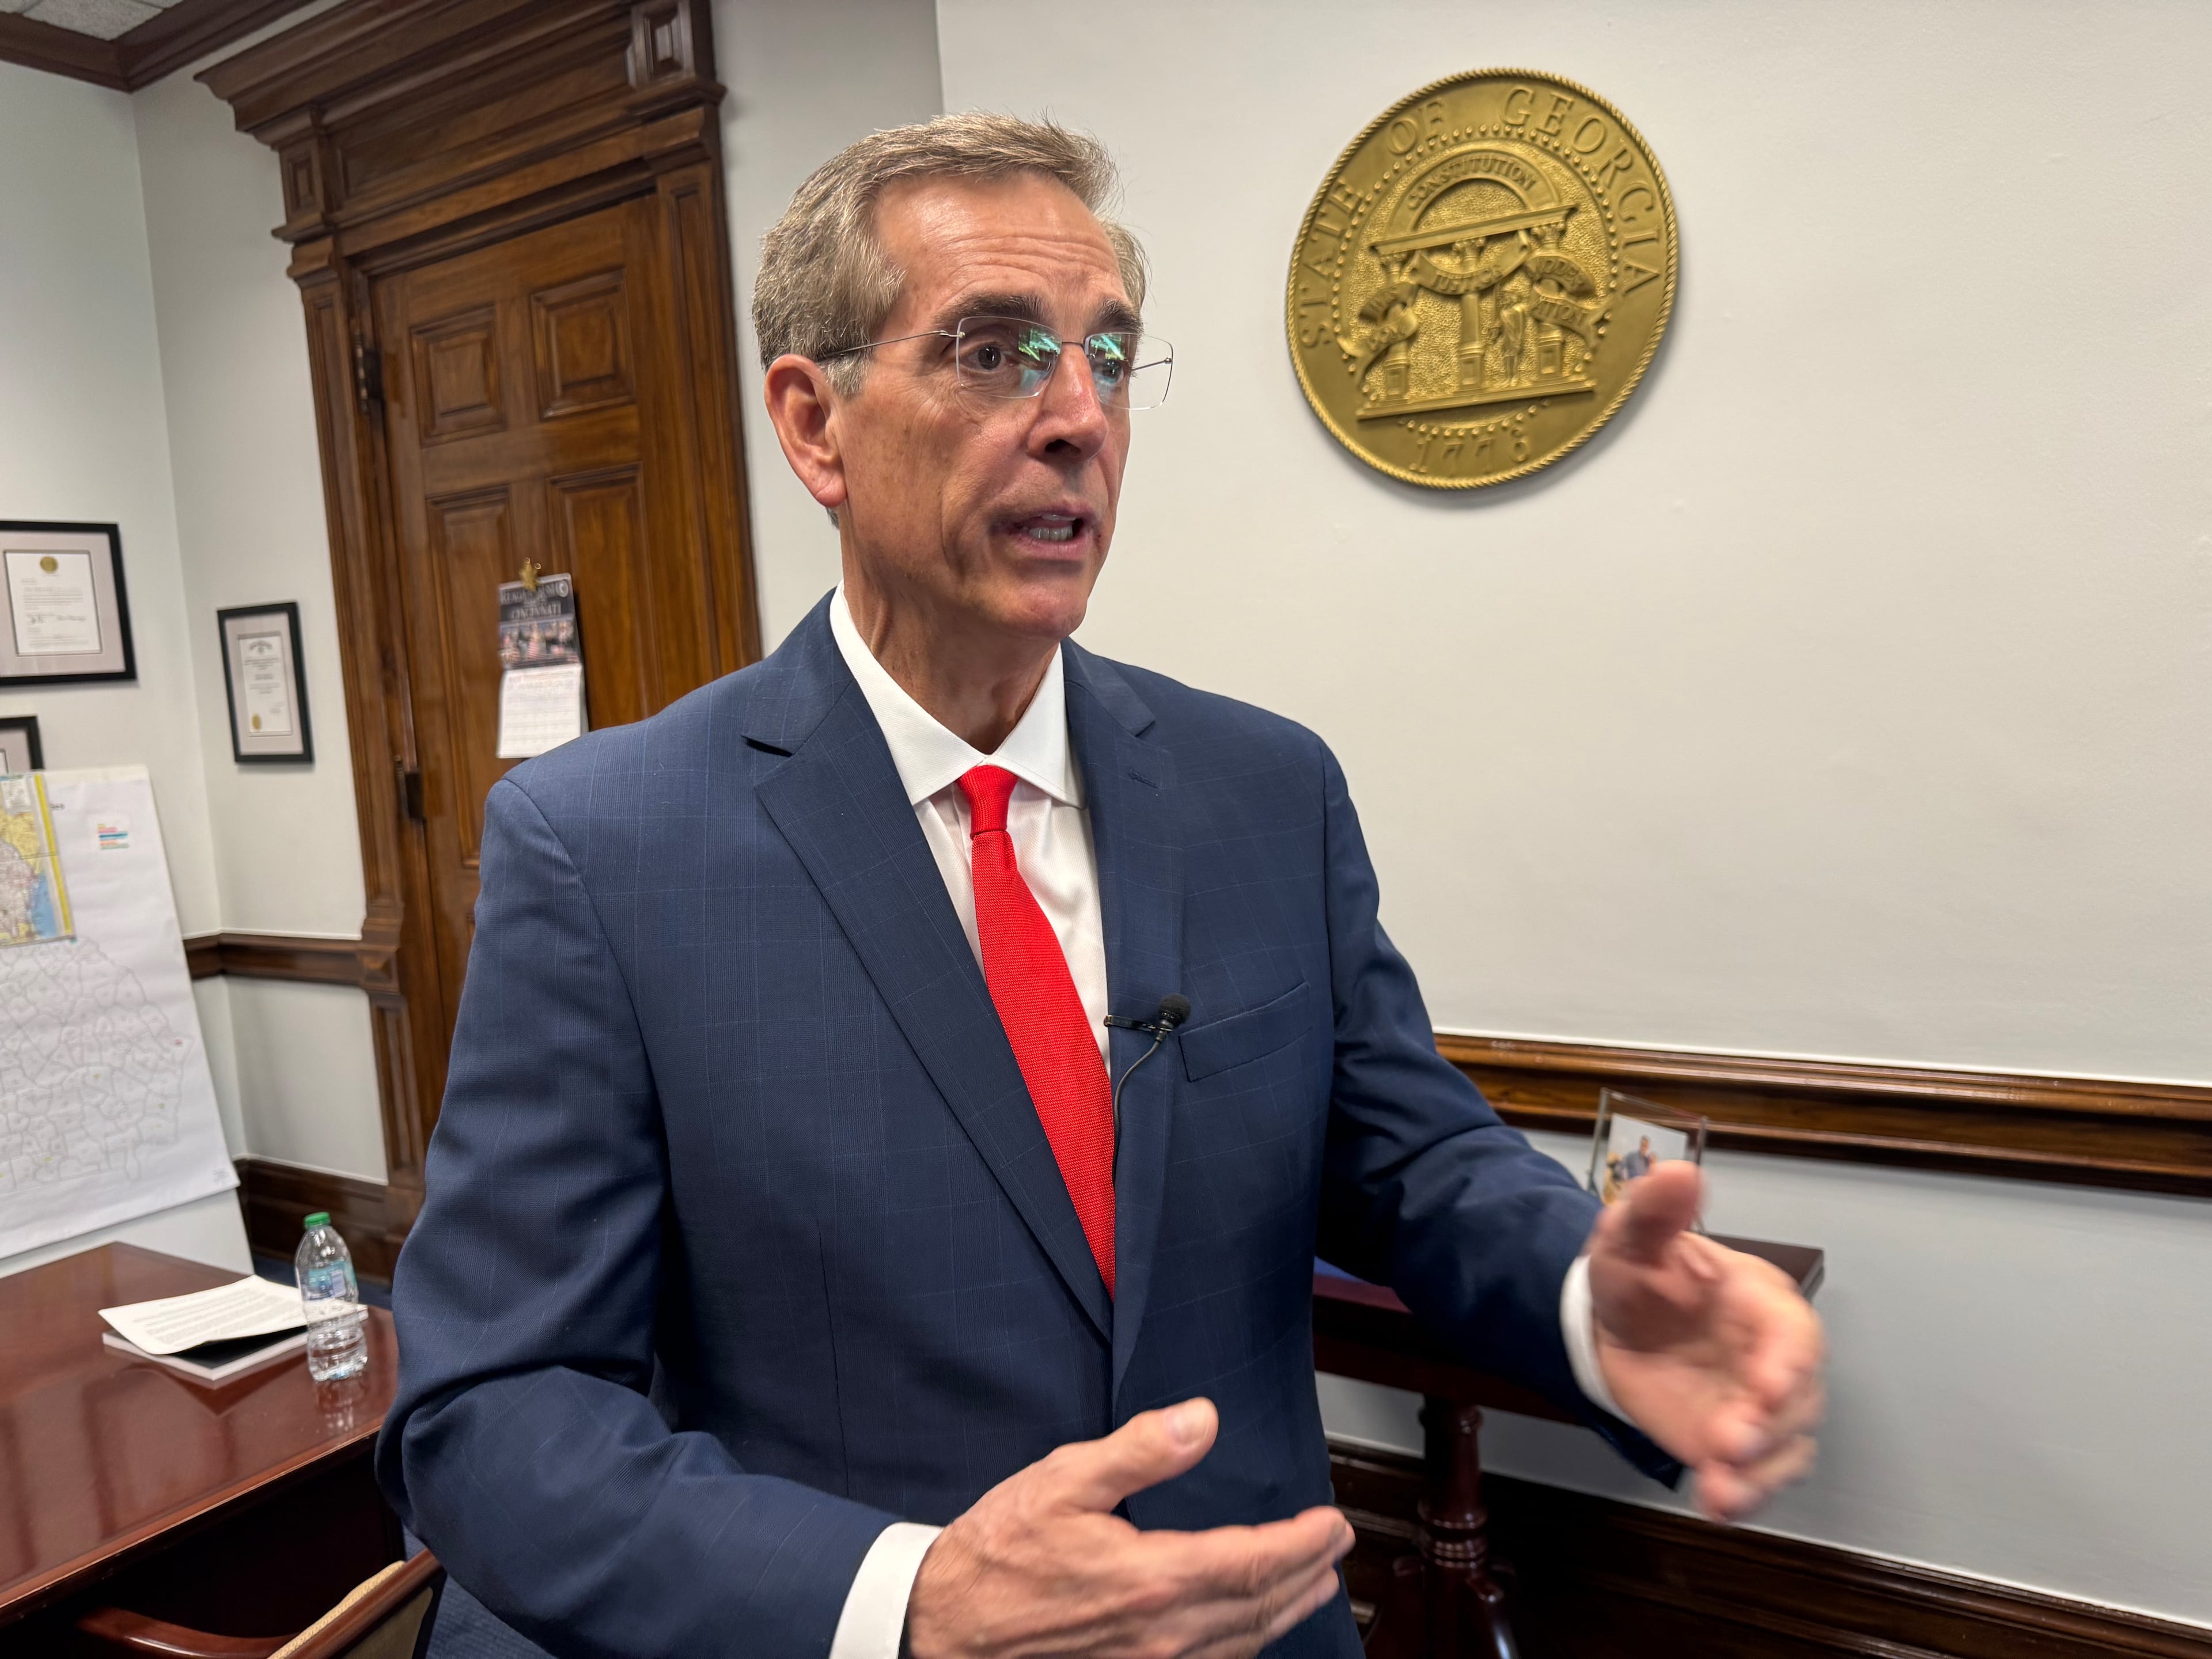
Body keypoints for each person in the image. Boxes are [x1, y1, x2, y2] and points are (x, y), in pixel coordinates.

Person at [376, 115, 1823, 1659]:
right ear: (815, 425)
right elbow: (495, 1416)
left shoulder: (1265, 792)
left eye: (1110, 359)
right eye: (996, 352)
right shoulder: (605, 846)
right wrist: (910, 1598)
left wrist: (1595, 1314)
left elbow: (1413, 1167)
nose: (1078, 415)